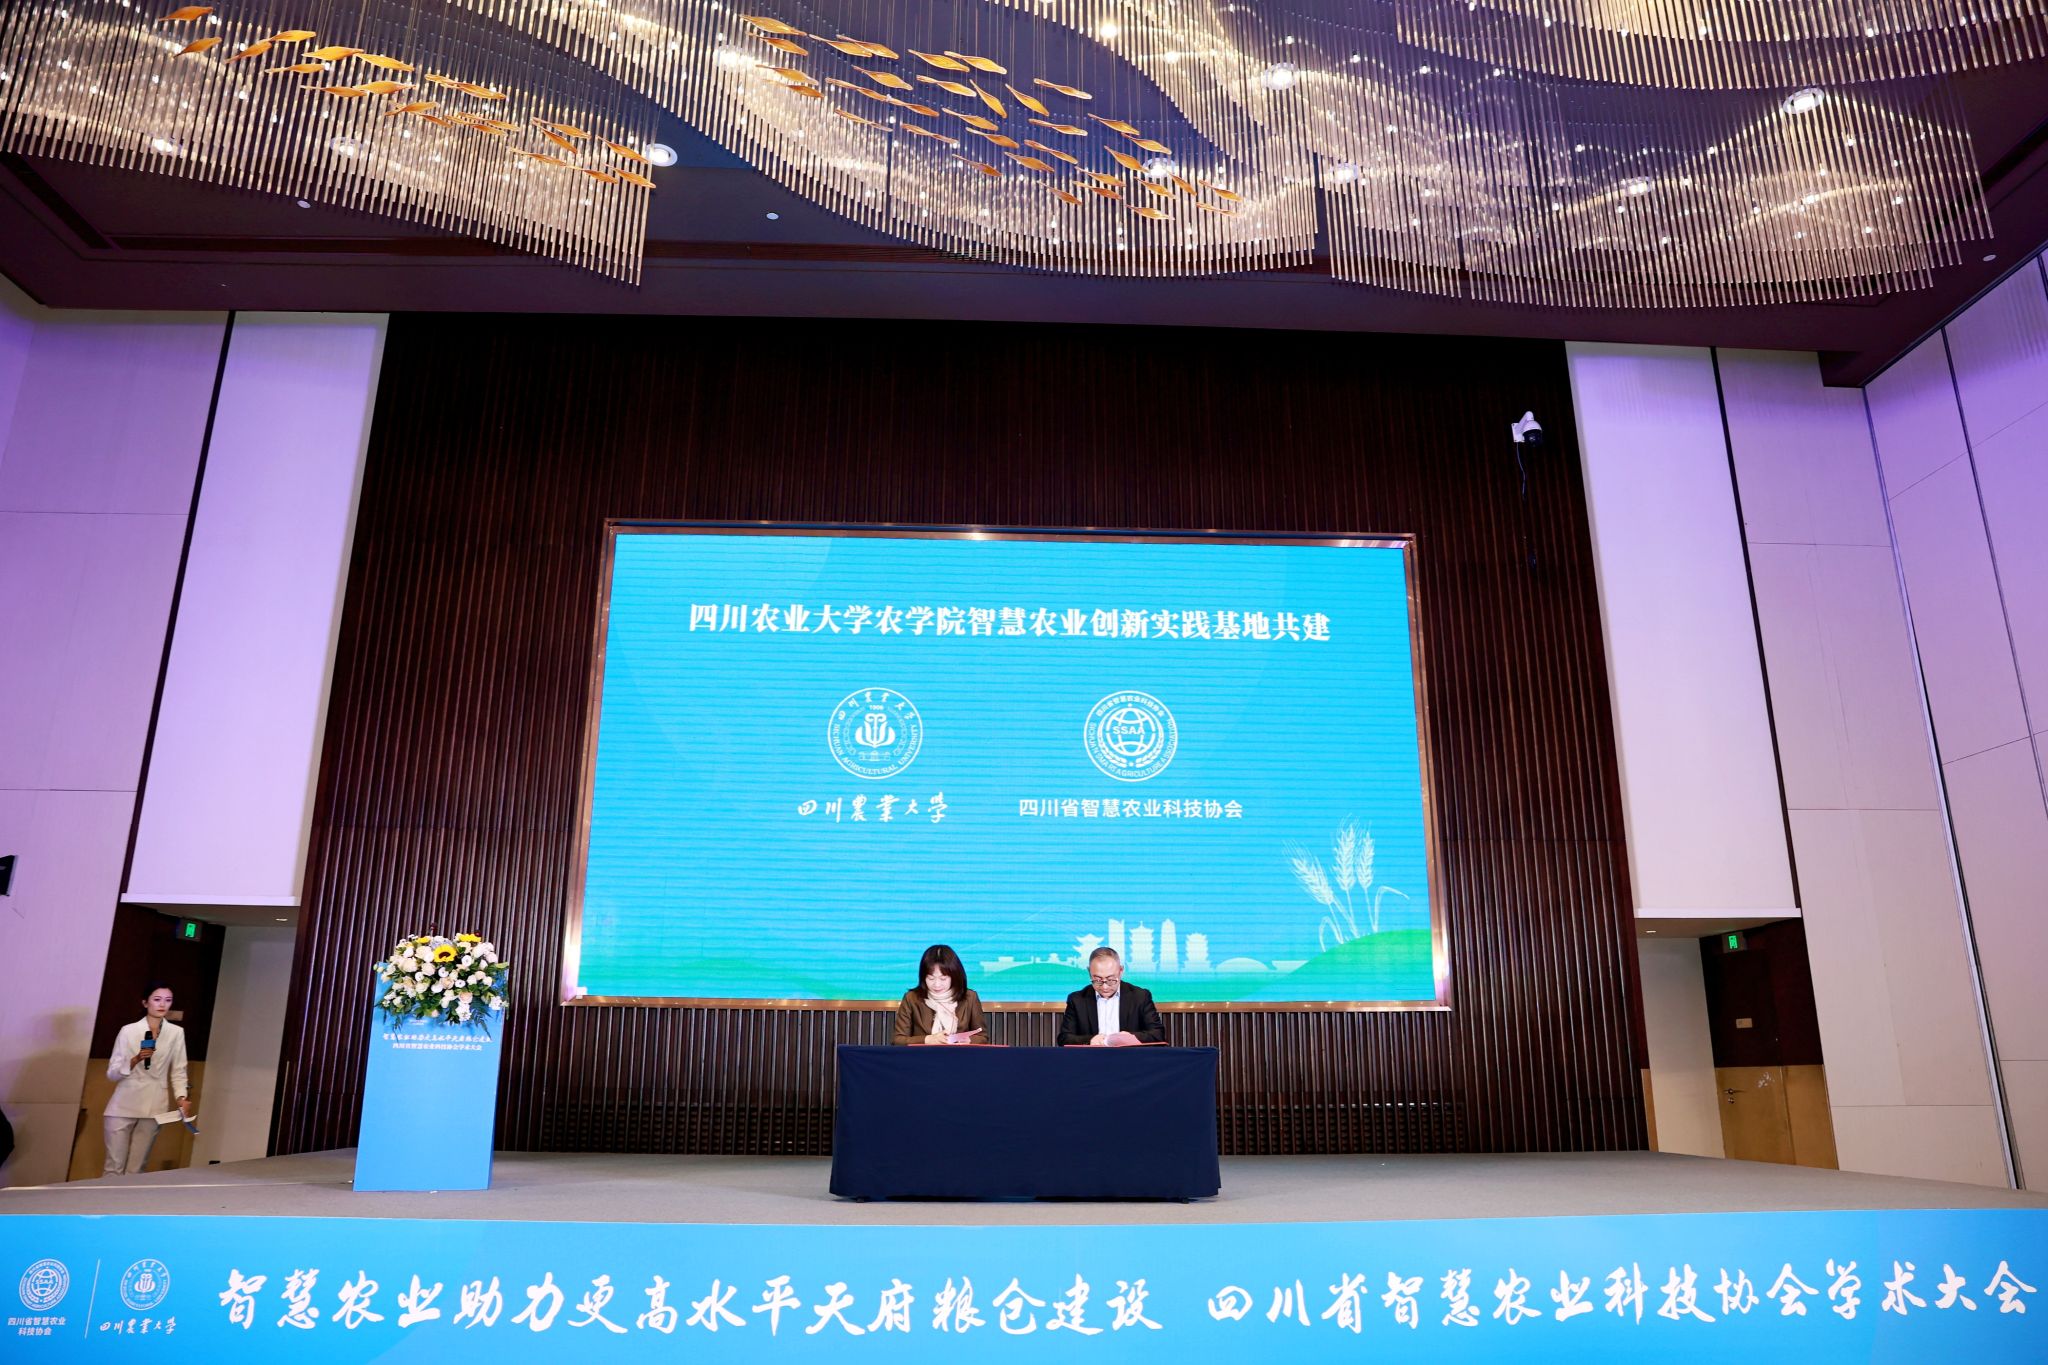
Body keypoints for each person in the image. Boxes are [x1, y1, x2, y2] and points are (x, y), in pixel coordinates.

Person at [103, 983, 191, 1176]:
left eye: (168, 1000)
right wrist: (135, 1059)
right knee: (113, 1167)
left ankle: (131, 1197)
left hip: (154, 1102)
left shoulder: (176, 1033)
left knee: (137, 1168)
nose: (162, 1004)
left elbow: (179, 1070)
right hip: (124, 1101)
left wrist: (181, 1097)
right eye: (157, 999)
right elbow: (112, 1073)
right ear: (145, 1002)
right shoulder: (128, 1030)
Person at [1057, 946, 1166, 1046]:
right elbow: (1064, 1038)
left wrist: (1131, 1037)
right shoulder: (1077, 1000)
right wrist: (1090, 1040)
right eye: (1097, 980)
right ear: (1089, 972)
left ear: (1121, 971)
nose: (1104, 987)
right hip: (1091, 1057)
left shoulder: (1140, 996)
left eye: (1110, 979)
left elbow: (1158, 1034)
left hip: (1130, 1057)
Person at [891, 944, 989, 1045]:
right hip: (923, 1054)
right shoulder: (911, 998)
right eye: (931, 978)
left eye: (943, 979)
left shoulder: (970, 997)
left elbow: (982, 1037)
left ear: (954, 976)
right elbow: (898, 1040)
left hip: (959, 1054)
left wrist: (969, 1040)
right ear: (923, 977)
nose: (937, 985)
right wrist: (927, 1040)